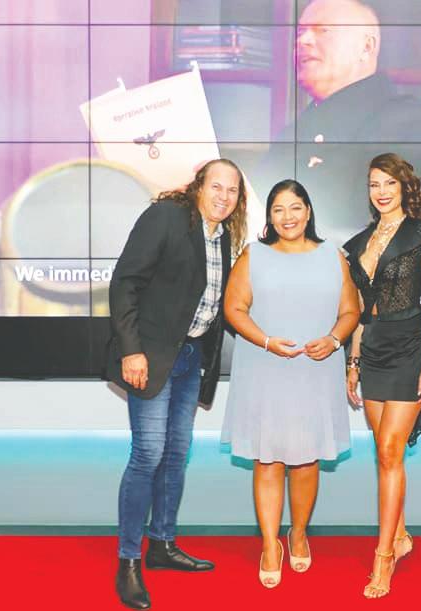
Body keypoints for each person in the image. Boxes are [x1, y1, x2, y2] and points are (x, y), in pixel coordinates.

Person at [104, 159, 248, 610]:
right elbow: (125, 283)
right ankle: (129, 561)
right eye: (216, 187)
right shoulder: (166, 217)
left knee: (174, 454)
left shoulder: (223, 237)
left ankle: (162, 545)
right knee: (148, 453)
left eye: (232, 190)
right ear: (198, 186)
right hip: (149, 356)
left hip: (189, 360)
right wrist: (131, 351)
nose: (224, 196)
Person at [222, 180, 360, 588]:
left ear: (308, 211)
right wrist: (267, 341)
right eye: (278, 209)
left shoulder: (333, 256)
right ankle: (270, 544)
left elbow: (351, 311)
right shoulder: (254, 255)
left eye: (295, 207)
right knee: (267, 459)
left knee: (306, 459)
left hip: (315, 371)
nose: (288, 217)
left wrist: (333, 340)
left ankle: (298, 533)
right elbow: (234, 308)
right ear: (269, 216)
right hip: (265, 368)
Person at [342, 153, 421, 598]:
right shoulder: (359, 243)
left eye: (389, 182)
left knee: (391, 449)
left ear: (405, 186)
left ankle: (384, 556)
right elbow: (360, 311)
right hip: (372, 350)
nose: (382, 191)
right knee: (384, 451)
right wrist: (353, 361)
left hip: (411, 347)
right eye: (374, 184)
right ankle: (402, 536)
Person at [257, 0, 421, 244]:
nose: (303, 40)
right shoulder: (298, 128)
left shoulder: (407, 122)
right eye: (300, 32)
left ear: (366, 47)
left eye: (323, 30)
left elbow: (368, 224)